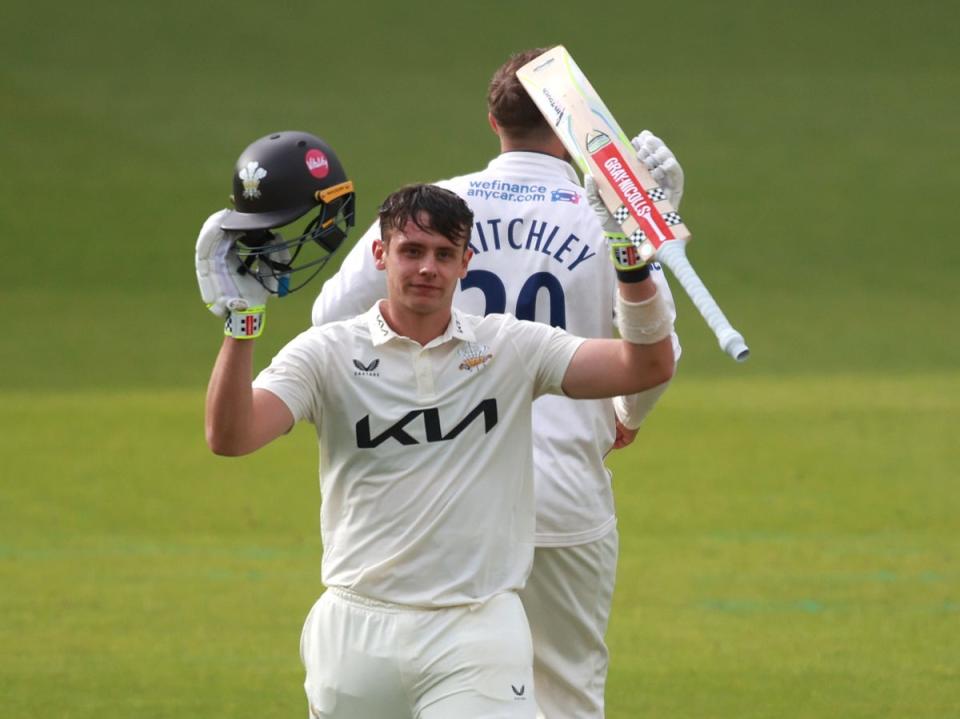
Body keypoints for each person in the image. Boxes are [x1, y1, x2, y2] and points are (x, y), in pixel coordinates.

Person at [197, 177, 676, 717]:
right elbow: (231, 437)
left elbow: (648, 365)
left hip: (476, 631)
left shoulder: (509, 347)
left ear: (465, 262)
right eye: (412, 251)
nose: (428, 268)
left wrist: (628, 253)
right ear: (381, 254)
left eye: (445, 254)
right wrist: (243, 324)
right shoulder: (325, 353)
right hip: (357, 632)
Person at [310, 48, 685, 717]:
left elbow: (331, 319)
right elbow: (657, 353)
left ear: (493, 121)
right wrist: (628, 413)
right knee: (565, 698)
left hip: (446, 496)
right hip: (567, 494)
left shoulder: (432, 215)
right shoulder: (600, 214)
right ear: (574, 127)